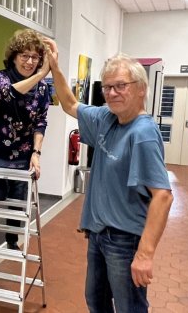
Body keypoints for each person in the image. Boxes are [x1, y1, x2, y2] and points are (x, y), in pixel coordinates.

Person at [44, 38, 173, 313]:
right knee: (97, 301)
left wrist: (145, 255)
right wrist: (54, 67)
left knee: (129, 308)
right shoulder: (106, 117)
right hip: (99, 233)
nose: (112, 93)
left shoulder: (143, 134)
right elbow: (69, 104)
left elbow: (162, 196)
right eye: (107, 87)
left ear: (141, 89)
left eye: (120, 86)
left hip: (125, 240)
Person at [0, 29, 51, 250]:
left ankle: (12, 240)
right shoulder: (0, 77)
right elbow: (7, 94)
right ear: (14, 56)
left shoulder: (42, 89)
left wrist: (36, 154)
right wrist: (40, 75)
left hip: (24, 153)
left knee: (19, 204)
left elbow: (41, 122)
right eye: (24, 55)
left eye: (35, 57)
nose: (30, 61)